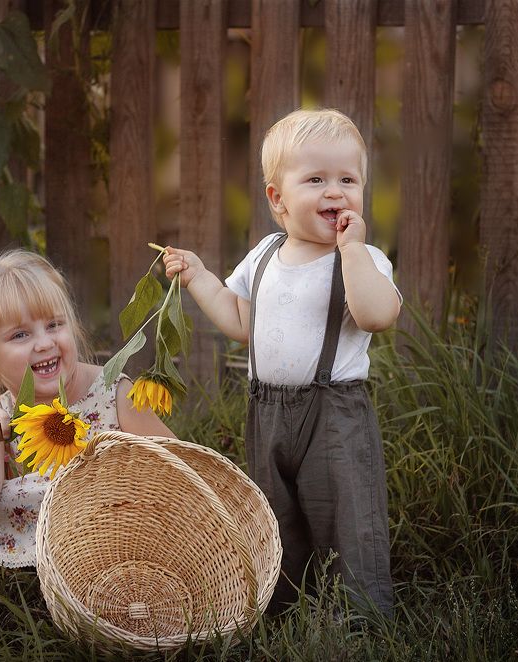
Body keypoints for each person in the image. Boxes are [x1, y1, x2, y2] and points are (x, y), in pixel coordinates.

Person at [163, 108, 400, 616]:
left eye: (348, 180)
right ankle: (285, 606)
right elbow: (238, 320)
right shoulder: (266, 255)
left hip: (335, 413)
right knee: (274, 512)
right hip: (266, 411)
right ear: (278, 200)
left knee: (345, 512)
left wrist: (354, 253)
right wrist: (199, 277)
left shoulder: (363, 258)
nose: (335, 192)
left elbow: (377, 315)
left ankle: (361, 616)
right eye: (316, 179)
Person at [0, 249, 174, 567]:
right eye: (20, 334)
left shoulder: (113, 392)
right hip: (33, 546)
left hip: (115, 536)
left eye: (54, 325)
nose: (43, 343)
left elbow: (174, 462)